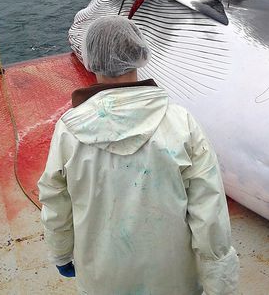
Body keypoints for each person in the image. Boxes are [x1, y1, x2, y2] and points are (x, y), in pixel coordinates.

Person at [38, 15, 239, 294]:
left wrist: (60, 252)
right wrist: (221, 284)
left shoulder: (69, 130)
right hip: (173, 278)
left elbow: (55, 200)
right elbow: (209, 210)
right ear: (139, 53)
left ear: (90, 58)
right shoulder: (179, 122)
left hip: (101, 278)